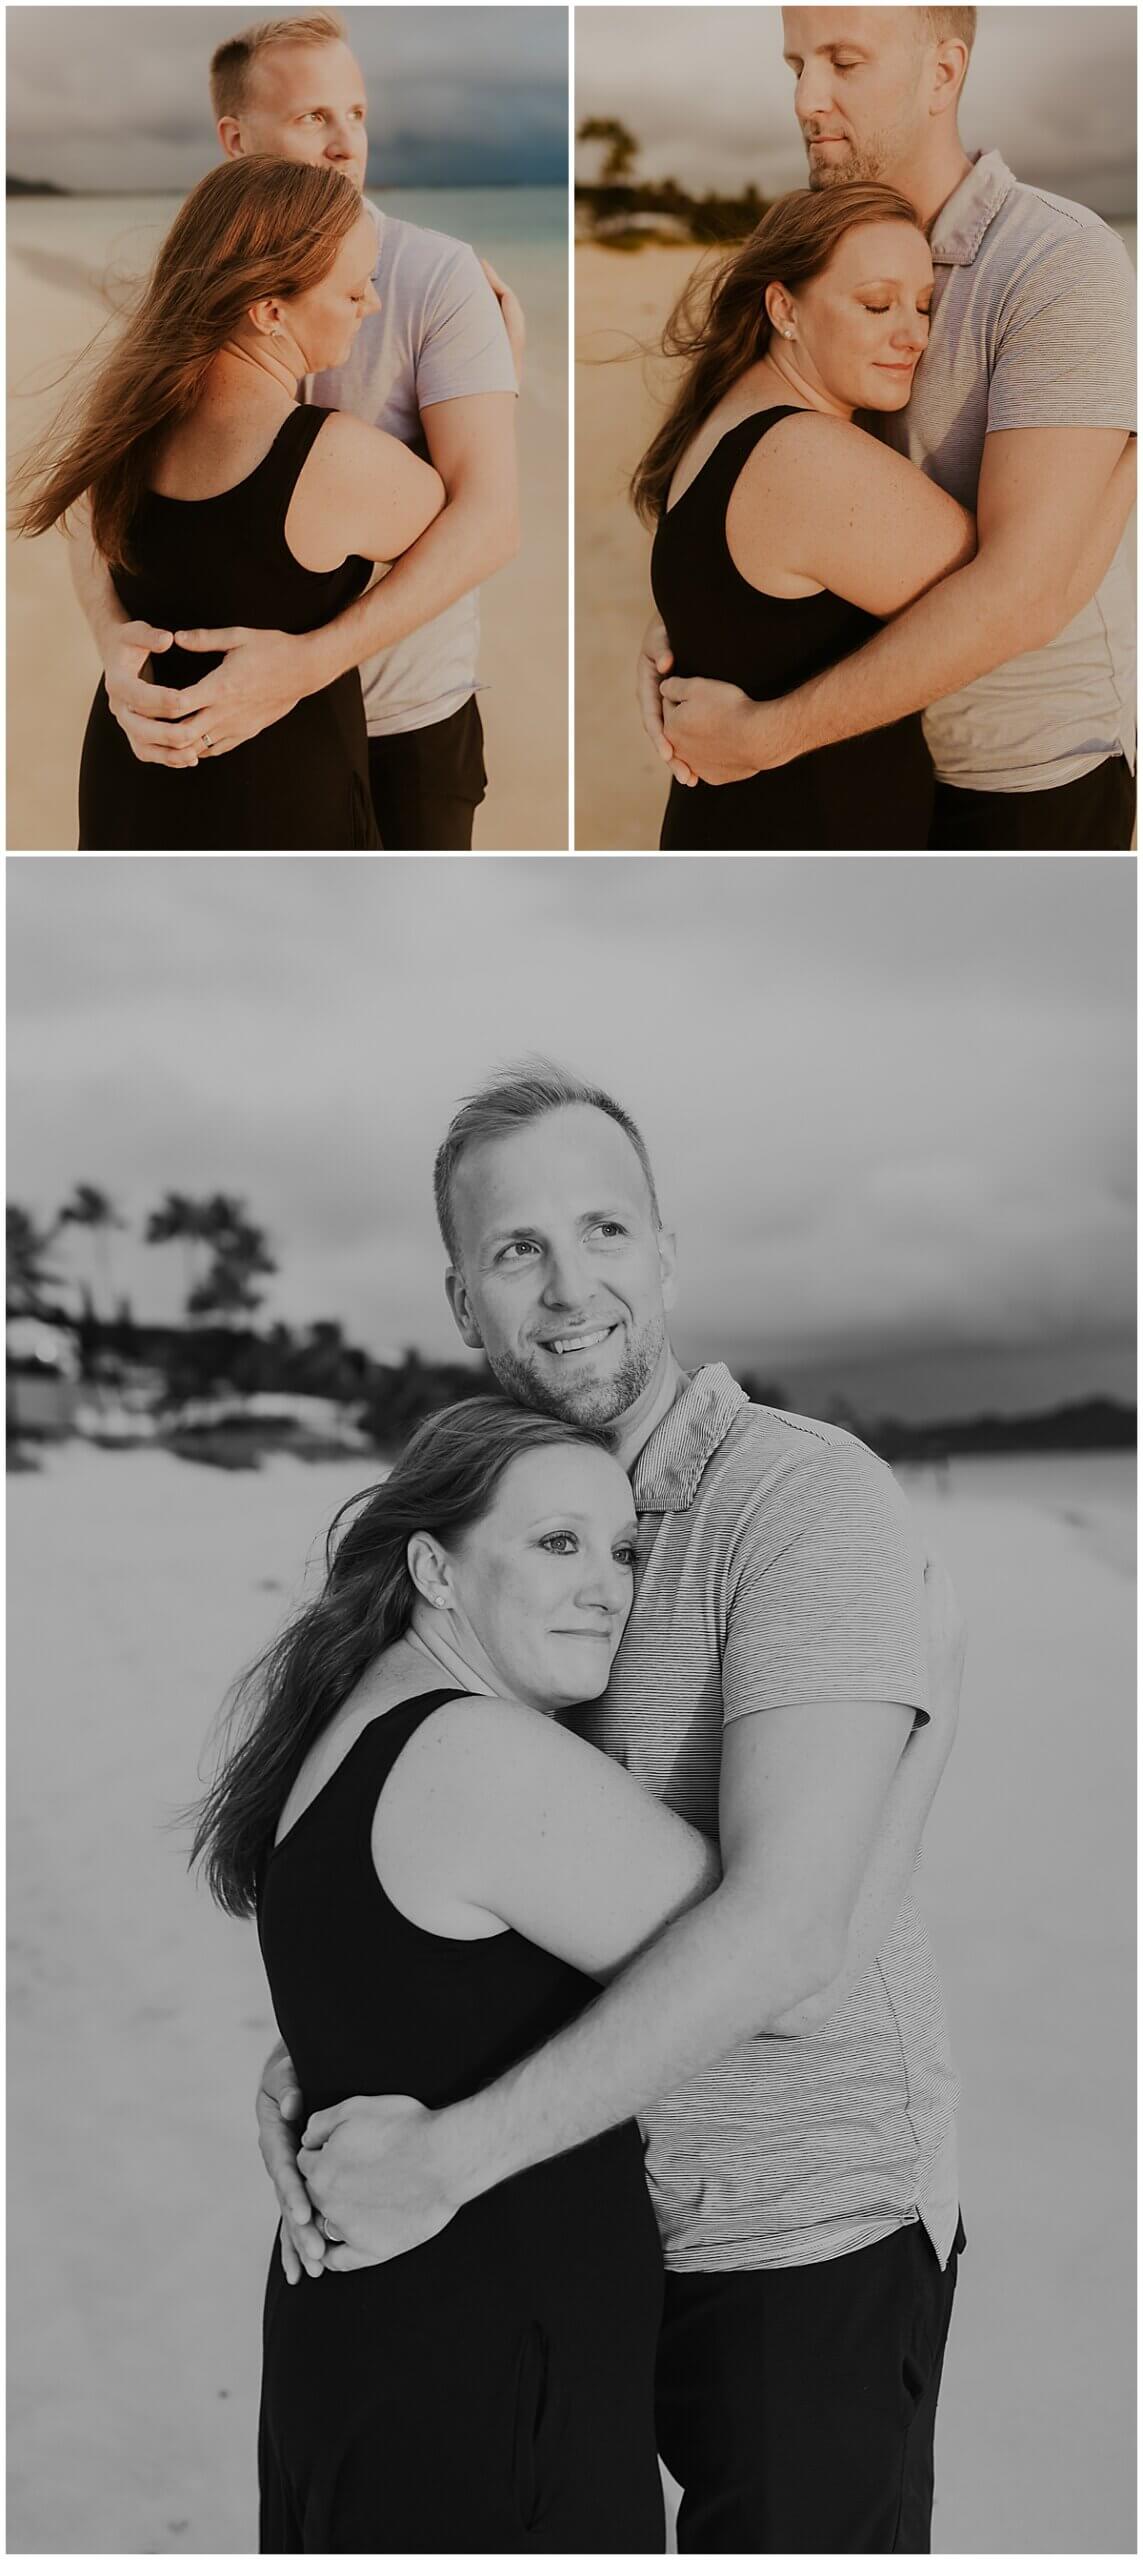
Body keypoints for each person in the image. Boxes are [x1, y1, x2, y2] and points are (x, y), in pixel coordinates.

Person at [258, 1061, 967, 2554]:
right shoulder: (525, 1522)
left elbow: (789, 1945)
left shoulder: (797, 1503)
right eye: (516, 1250)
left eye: (602, 1233)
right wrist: (320, 2054)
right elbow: (457, 1869)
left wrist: (439, 2155)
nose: (567, 1287)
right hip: (574, 2227)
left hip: (792, 2239)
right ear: (462, 1301)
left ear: (663, 1255)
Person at [640, 5, 1137, 852]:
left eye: (842, 62)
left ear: (942, 73)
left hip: (1013, 780)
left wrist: (766, 729)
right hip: (853, 758)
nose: (805, 99)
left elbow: (1025, 596)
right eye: (794, 65)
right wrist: (695, 633)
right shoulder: (826, 250)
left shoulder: (1055, 262)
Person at [69, 11, 520, 850]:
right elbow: (99, 473)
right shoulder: (201, 269)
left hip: (403, 713)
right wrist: (112, 649)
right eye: (314, 117)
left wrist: (307, 667)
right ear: (236, 139)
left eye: (356, 114)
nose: (346, 144)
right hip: (200, 726)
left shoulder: (436, 275)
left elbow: (488, 519)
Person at [13, 158, 445, 849]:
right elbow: (470, 528)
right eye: (356, 289)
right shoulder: (334, 460)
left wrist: (108, 629)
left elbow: (87, 530)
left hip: (128, 778)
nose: (373, 305)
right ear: (271, 311)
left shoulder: (125, 421)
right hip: (277, 804)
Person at [638, 184, 966, 848]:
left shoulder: (724, 419)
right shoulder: (804, 454)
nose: (914, 335)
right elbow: (1019, 592)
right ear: (783, 308)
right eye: (875, 304)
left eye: (924, 306)